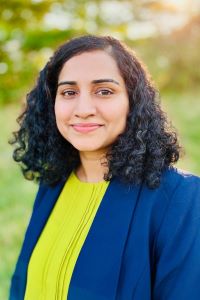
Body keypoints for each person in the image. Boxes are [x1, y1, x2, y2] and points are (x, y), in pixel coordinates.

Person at [9, 35, 200, 300]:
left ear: (132, 102)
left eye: (104, 91)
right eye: (69, 92)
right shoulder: (53, 184)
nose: (83, 108)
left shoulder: (180, 197)